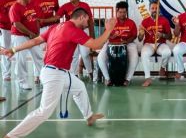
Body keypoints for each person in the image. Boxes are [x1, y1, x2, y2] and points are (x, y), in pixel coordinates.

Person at [0, 8, 117, 138]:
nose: (88, 21)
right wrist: (109, 29)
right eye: (87, 18)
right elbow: (95, 45)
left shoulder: (56, 27)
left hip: (58, 72)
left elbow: (35, 41)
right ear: (81, 17)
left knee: (79, 87)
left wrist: (14, 49)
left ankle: (89, 116)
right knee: (44, 112)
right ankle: (11, 136)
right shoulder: (73, 30)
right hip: (54, 74)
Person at [54, 0, 94, 78]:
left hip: (84, 32)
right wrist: (43, 20)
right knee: (74, 55)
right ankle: (74, 75)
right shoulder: (65, 6)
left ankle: (90, 73)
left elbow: (90, 21)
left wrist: (92, 36)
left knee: (85, 54)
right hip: (71, 33)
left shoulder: (85, 5)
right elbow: (56, 17)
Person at [97, 1, 139, 86]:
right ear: (116, 11)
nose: (122, 14)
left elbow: (134, 36)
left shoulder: (131, 22)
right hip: (111, 43)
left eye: (124, 12)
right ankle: (108, 79)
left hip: (128, 43)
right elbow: (106, 36)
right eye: (120, 12)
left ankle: (127, 79)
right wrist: (112, 36)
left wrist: (126, 42)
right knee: (100, 58)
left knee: (135, 58)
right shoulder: (111, 22)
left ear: (126, 11)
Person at [9, 0, 43, 89]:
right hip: (19, 36)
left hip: (33, 35)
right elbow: (17, 24)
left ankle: (42, 77)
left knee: (39, 56)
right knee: (21, 59)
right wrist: (30, 33)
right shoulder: (15, 7)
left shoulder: (31, 4)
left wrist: (37, 32)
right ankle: (22, 81)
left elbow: (35, 19)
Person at [138, 1, 172, 87]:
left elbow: (170, 36)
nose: (154, 10)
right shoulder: (145, 22)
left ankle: (162, 67)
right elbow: (139, 39)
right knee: (144, 53)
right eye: (152, 8)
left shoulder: (164, 20)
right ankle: (148, 78)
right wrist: (141, 34)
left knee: (167, 52)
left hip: (160, 44)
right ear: (149, 10)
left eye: (156, 8)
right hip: (149, 44)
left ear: (159, 10)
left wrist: (162, 35)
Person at [0, 0, 17, 81]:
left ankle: (18, 73)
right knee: (6, 51)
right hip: (4, 29)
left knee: (18, 50)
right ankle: (6, 74)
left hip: (17, 28)